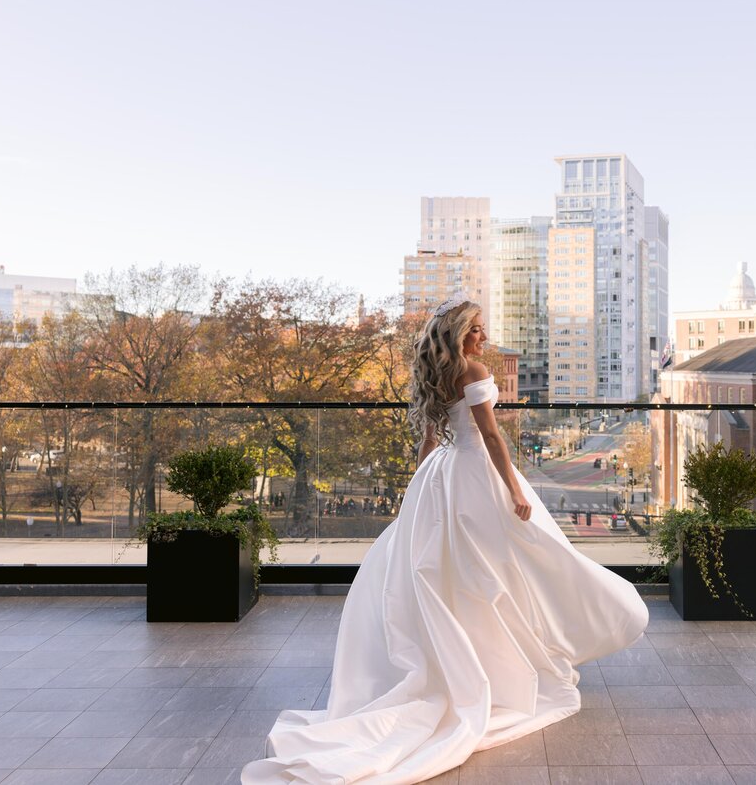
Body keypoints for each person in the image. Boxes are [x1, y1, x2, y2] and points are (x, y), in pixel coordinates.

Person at [242, 294, 648, 784]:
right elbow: (493, 438)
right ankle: (507, 658)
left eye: (481, 327)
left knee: (469, 572)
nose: (483, 335)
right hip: (476, 476)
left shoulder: (436, 372)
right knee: (512, 563)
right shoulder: (473, 373)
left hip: (443, 476)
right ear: (458, 332)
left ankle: (488, 655)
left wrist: (419, 484)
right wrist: (515, 490)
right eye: (476, 328)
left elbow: (430, 438)